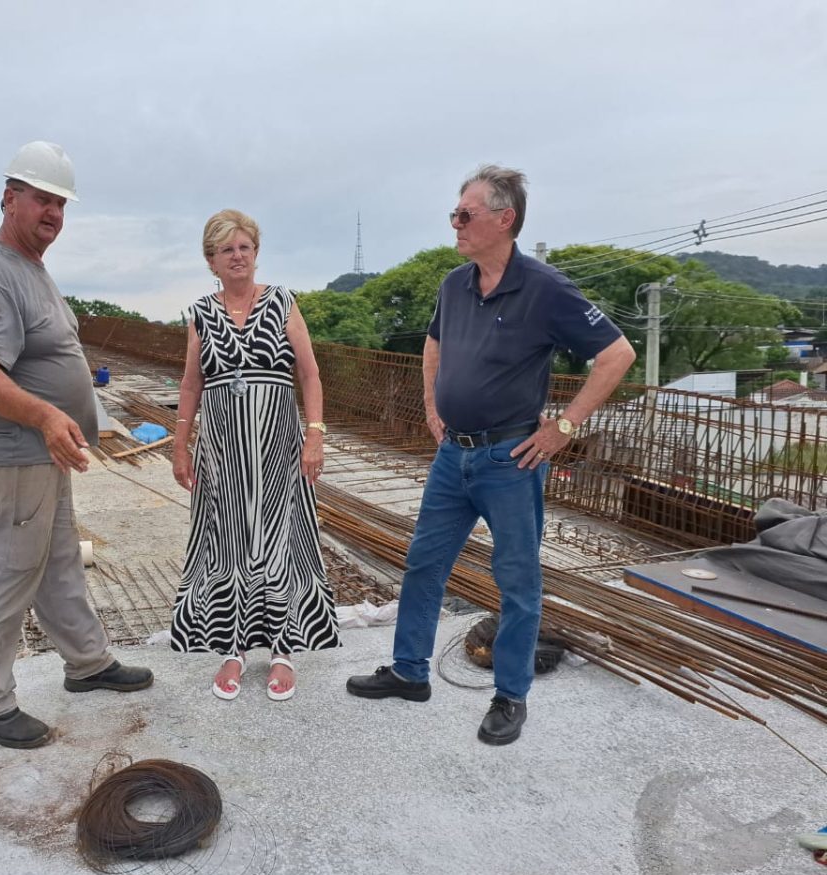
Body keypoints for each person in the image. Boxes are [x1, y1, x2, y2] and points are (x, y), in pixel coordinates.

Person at [346, 166, 636, 745]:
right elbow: (434, 343)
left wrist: (565, 425)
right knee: (424, 564)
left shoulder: (545, 288)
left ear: (504, 220)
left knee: (517, 580)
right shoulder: (455, 284)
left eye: (465, 214)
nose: (455, 223)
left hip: (512, 459)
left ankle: (510, 695)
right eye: (455, 212)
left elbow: (617, 354)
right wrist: (431, 404)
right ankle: (409, 671)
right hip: (454, 456)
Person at [0, 141, 153, 750]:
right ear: (9, 198)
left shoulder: (30, 269)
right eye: (41, 199)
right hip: (11, 456)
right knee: (6, 571)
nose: (53, 214)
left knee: (57, 560)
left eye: (61, 204)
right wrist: (43, 415)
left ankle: (87, 663)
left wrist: (80, 417)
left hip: (41, 454)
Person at [170, 209, 340, 702]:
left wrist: (314, 435)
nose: (238, 256)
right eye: (227, 249)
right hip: (221, 446)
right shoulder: (201, 313)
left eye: (245, 247)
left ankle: (284, 649)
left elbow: (309, 374)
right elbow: (191, 382)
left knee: (282, 537)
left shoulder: (282, 302)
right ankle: (233, 647)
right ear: (212, 261)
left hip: (278, 441)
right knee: (227, 539)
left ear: (256, 253)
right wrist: (181, 446)